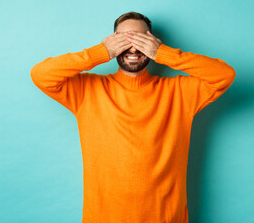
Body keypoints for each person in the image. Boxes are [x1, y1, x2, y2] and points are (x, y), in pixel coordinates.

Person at [30, 11, 236, 223]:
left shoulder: (180, 92)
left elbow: (224, 75)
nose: (133, 47)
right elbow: (41, 74)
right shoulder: (87, 90)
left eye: (141, 39)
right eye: (123, 39)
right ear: (112, 41)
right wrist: (100, 52)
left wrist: (164, 53)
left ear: (153, 42)